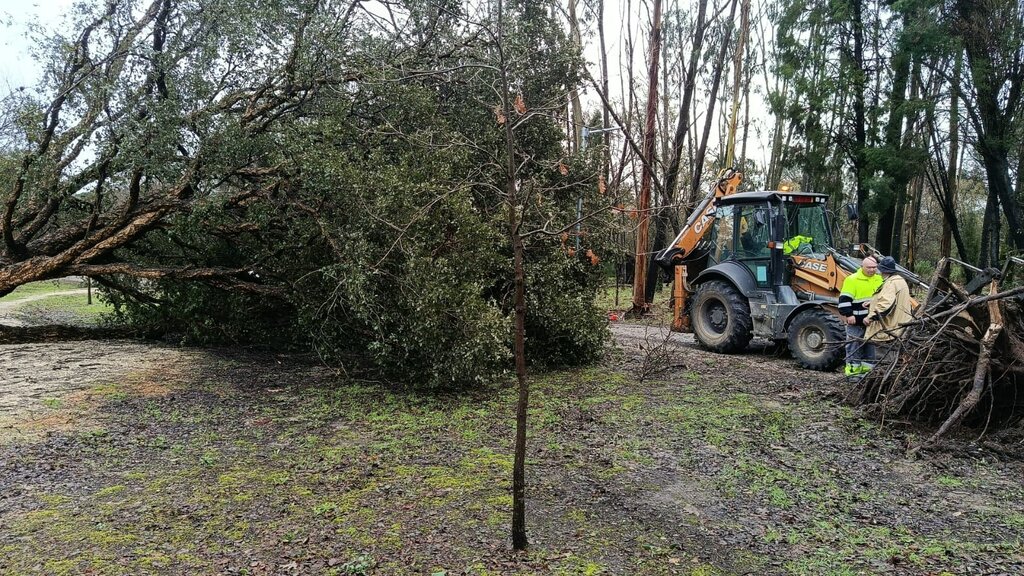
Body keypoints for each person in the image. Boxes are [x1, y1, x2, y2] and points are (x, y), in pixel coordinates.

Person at [838, 256, 882, 378]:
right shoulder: (852, 280)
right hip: (856, 322)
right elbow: (844, 300)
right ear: (862, 267)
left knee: (870, 349)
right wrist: (849, 314)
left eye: (874, 268)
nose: (872, 270)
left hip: (872, 322)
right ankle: (853, 374)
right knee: (854, 347)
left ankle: (867, 375)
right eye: (869, 267)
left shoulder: (879, 280)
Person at [864, 256, 914, 360]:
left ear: (882, 270)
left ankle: (881, 375)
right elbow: (894, 300)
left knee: (883, 359)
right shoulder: (900, 281)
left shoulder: (891, 283)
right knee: (896, 357)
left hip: (889, 329)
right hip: (900, 327)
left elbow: (885, 304)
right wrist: (872, 302)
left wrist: (870, 317)